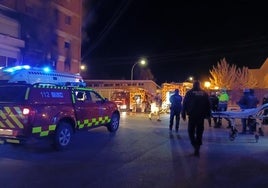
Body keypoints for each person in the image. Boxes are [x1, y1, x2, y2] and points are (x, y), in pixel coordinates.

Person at [181, 81, 211, 157]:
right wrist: (208, 114)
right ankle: (197, 147)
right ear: (199, 85)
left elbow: (185, 103)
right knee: (199, 131)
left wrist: (183, 113)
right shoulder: (204, 93)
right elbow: (208, 104)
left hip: (192, 115)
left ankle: (194, 144)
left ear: (193, 85)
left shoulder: (189, 93)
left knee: (191, 131)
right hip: (201, 116)